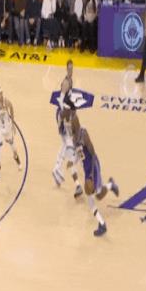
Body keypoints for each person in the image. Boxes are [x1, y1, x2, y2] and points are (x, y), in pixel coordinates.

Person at [72, 121, 119, 237]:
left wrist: (92, 175)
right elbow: (78, 155)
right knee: (93, 199)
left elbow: (92, 154)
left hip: (93, 168)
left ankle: (110, 185)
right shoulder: (73, 139)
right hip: (87, 170)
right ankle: (102, 224)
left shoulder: (84, 134)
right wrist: (74, 161)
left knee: (97, 196)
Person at [52, 60, 83, 198]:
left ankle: (57, 169)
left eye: (72, 68)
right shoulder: (66, 82)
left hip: (67, 113)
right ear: (66, 69)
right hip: (63, 115)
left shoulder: (71, 79)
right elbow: (61, 101)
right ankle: (77, 185)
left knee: (66, 145)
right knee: (69, 146)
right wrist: (63, 121)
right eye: (69, 68)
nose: (71, 70)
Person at [0, 87, 21, 180]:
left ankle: (17, 159)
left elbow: (12, 107)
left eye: (2, 93)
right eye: (0, 94)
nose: (1, 95)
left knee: (13, 148)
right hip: (0, 131)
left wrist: (13, 124)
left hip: (8, 129)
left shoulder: (6, 102)